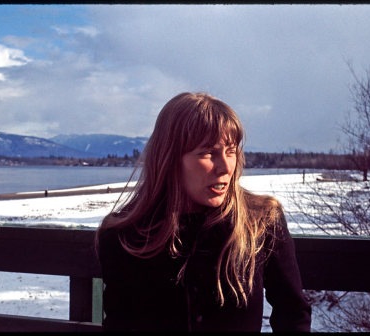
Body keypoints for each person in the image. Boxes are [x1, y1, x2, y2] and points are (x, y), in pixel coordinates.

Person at [95, 92, 311, 332]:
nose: (226, 166)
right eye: (208, 153)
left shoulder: (261, 220)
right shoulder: (125, 235)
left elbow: (293, 313)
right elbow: (118, 324)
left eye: (231, 151)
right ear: (169, 159)